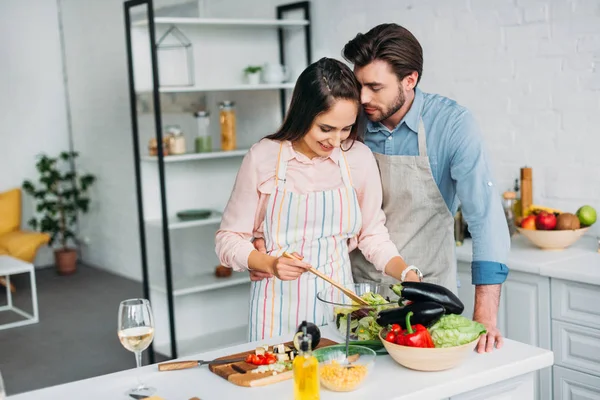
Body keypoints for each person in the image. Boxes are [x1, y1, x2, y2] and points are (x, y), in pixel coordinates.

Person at [251, 24, 511, 354]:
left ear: (410, 80)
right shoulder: (347, 122)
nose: (362, 98)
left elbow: (485, 218)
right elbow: (298, 183)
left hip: (423, 296)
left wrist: (485, 316)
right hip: (354, 300)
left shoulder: (451, 125)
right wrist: (260, 246)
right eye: (359, 85)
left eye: (375, 87)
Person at [215, 57, 420, 342]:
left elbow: (372, 234)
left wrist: (406, 272)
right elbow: (228, 238)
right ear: (303, 113)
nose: (336, 142)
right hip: (275, 312)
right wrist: (267, 263)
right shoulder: (263, 157)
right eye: (326, 128)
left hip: (338, 309)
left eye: (346, 128)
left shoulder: (358, 159)